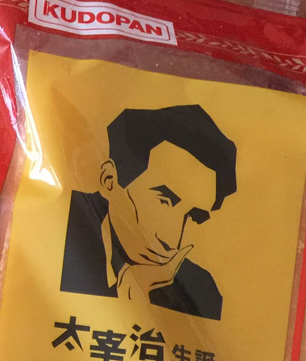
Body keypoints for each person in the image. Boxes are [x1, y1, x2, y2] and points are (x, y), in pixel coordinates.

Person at [60, 105, 237, 321]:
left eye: (193, 216)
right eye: (165, 200)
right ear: (109, 180)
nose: (173, 240)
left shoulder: (204, 292)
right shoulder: (57, 232)